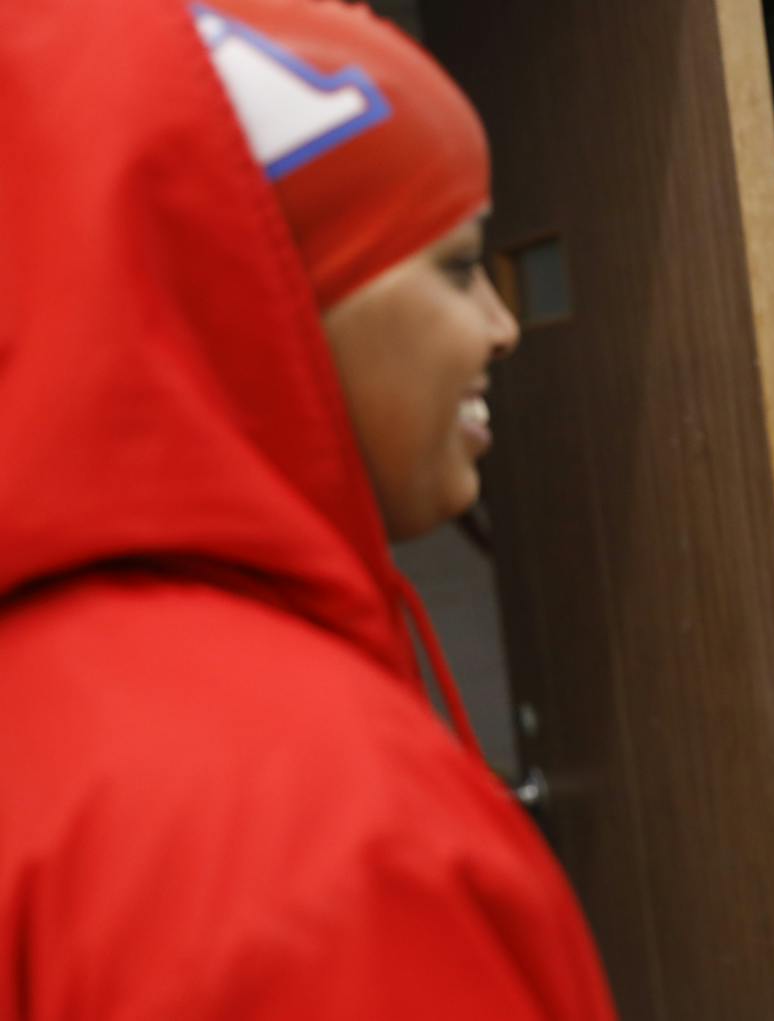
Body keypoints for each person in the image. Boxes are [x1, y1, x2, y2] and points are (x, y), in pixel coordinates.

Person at [0, 1, 617, 1017]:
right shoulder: (307, 825)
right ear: (266, 298)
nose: (500, 327)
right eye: (457, 266)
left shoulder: (61, 696)